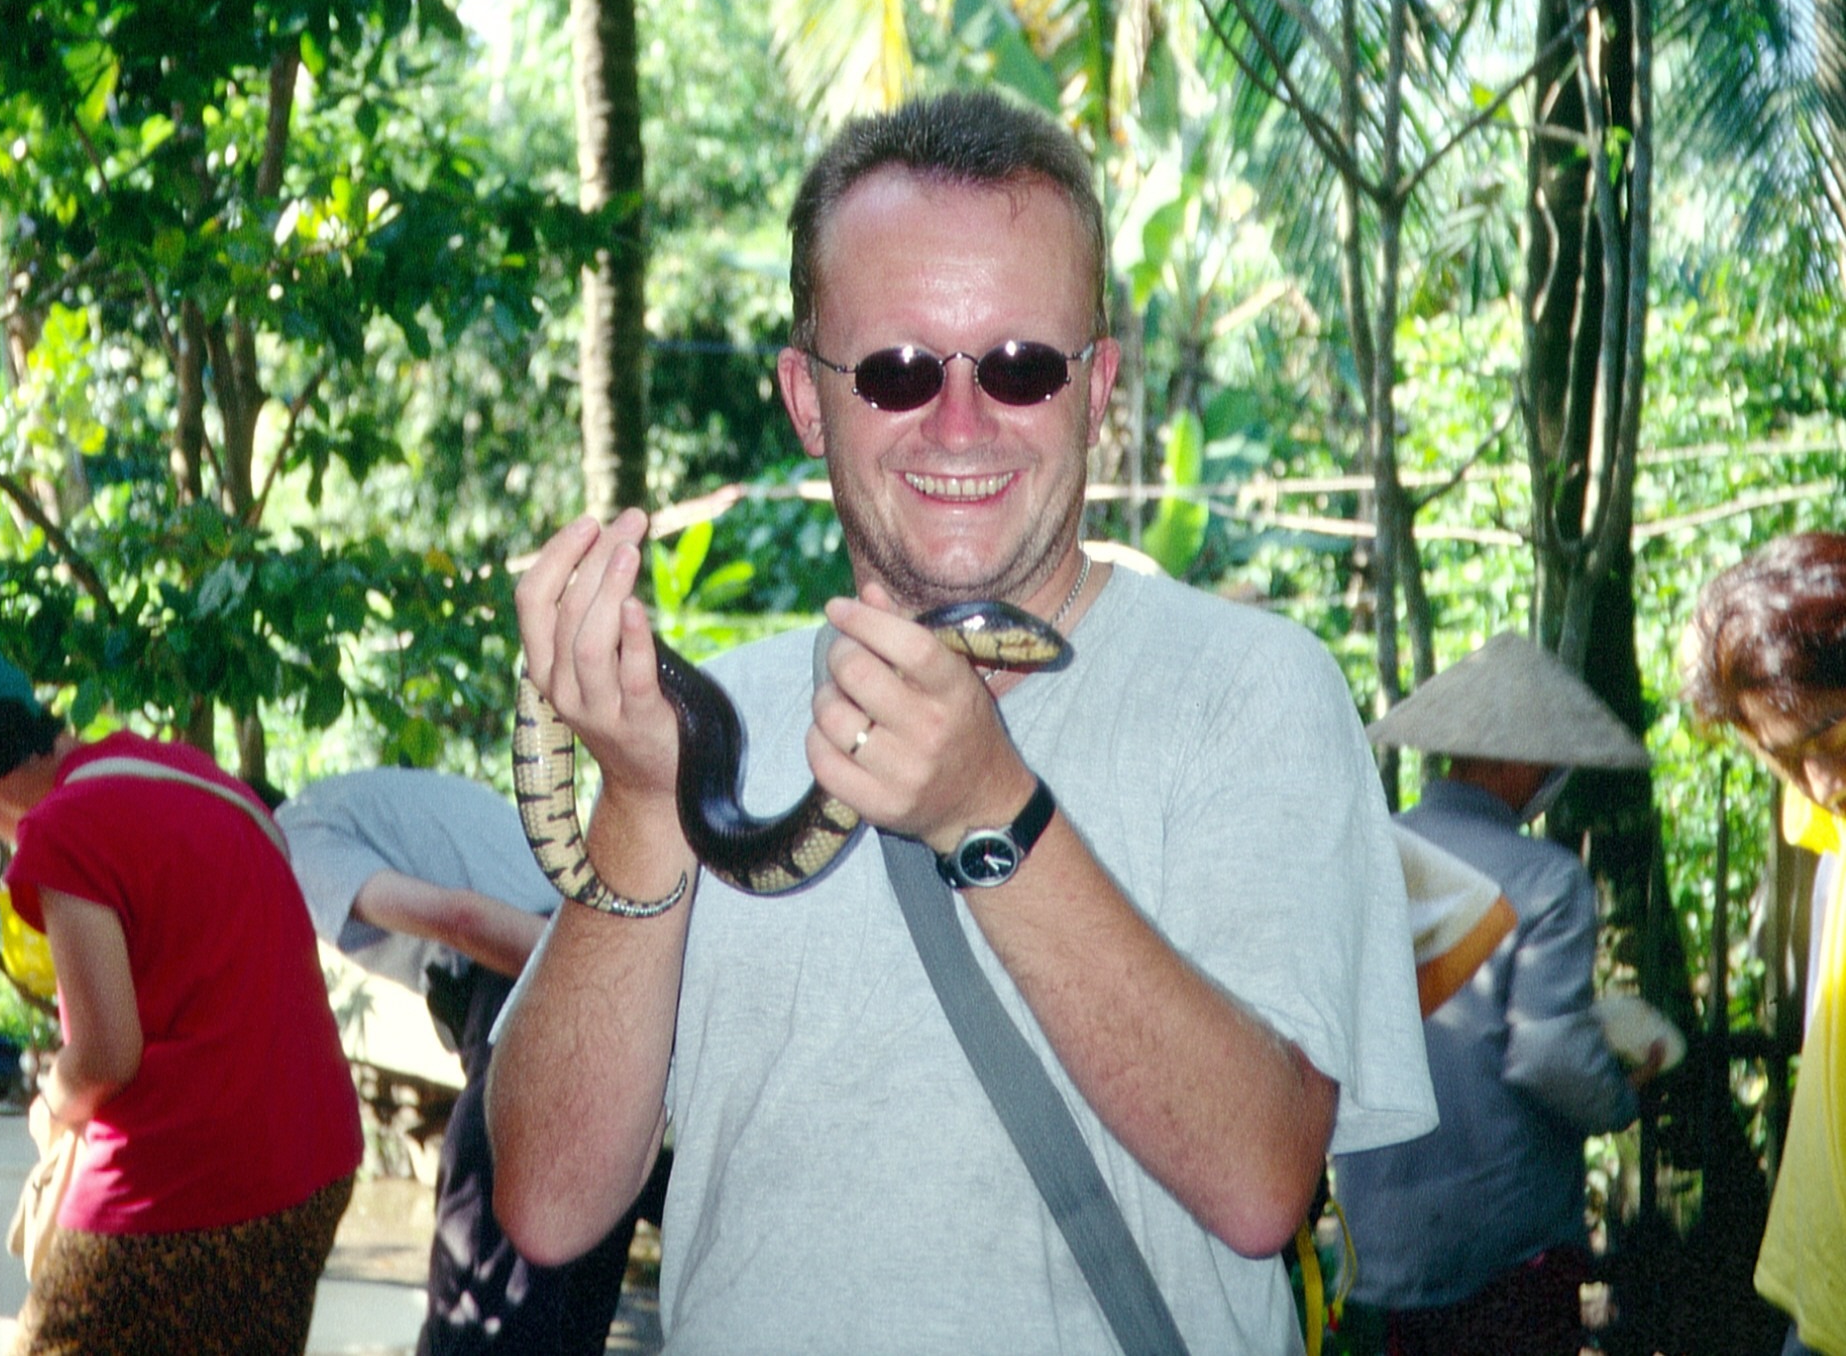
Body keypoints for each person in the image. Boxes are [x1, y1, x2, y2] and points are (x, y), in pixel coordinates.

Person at [488, 89, 1436, 1354]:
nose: (960, 421)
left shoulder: (1256, 693)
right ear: (806, 399)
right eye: (896, 371)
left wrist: (990, 808)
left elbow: (1266, 1182)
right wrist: (643, 800)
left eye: (1021, 365)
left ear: (1097, 389)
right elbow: (548, 1204)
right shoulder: (704, 727)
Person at [0, 647, 362, 1356]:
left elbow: (107, 1055)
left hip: (187, 1179)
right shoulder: (186, 770)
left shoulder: (64, 829)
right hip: (313, 1162)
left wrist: (52, 1105)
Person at [1332, 632, 1658, 1356]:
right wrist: (1619, 1094)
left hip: (1376, 1234)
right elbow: (1549, 1056)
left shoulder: (1367, 854)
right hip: (1505, 1245)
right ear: (1517, 761)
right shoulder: (1545, 879)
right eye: (1549, 762)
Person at [274, 767, 667, 1355]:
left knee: (484, 1292)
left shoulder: (292, 840)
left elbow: (462, 919)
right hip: (578, 942)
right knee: (571, 1289)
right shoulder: (353, 799)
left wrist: (595, 973)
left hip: (536, 965)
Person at [1683, 532, 1846, 1356]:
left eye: (1833, 740)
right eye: (1787, 759)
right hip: (1820, 1287)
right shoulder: (1829, 814)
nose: (1822, 784)